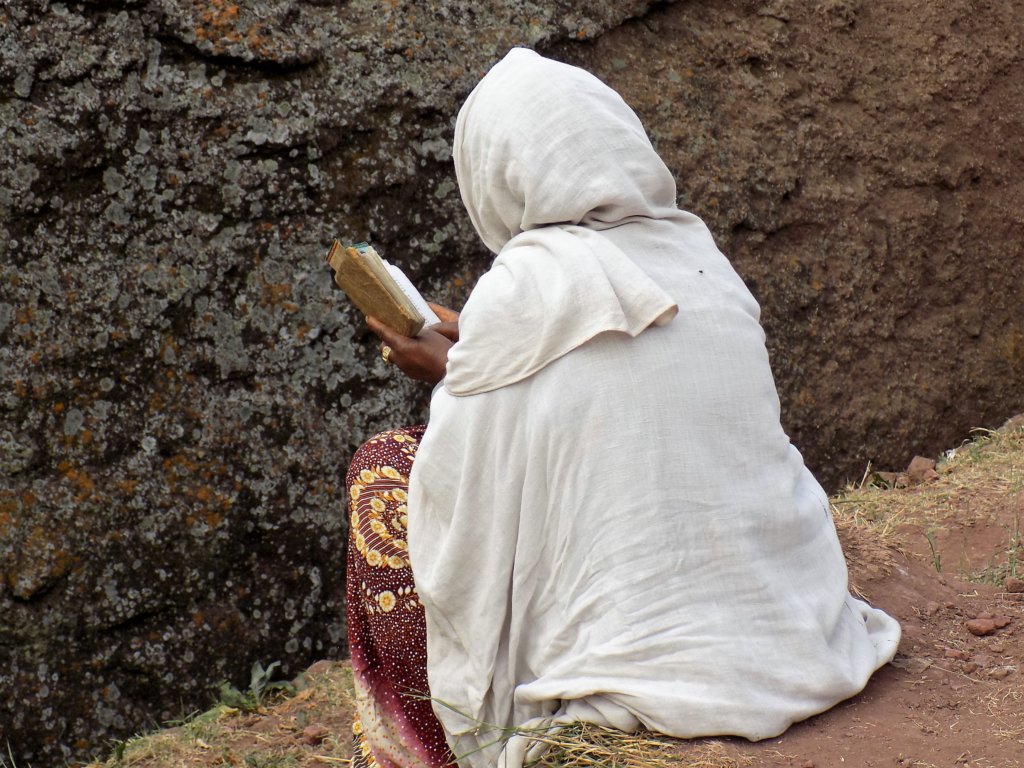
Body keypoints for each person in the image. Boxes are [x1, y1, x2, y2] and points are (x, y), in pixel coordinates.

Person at [345, 48, 900, 768]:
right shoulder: (700, 257)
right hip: (792, 634)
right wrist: (478, 355)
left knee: (384, 468)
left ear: (494, 171)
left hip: (634, 666)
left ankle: (427, 751)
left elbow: (476, 485)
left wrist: (448, 374)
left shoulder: (527, 287)